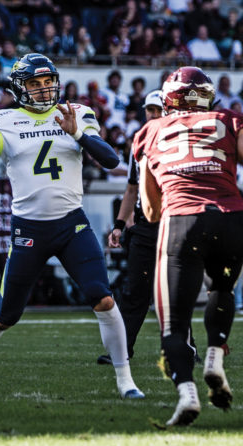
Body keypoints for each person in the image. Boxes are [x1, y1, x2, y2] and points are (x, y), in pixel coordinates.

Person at [0, 53, 144, 400]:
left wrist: (77, 132)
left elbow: (110, 160)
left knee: (104, 299)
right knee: (6, 316)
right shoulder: (4, 120)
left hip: (71, 225)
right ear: (20, 88)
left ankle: (126, 381)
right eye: (35, 84)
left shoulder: (75, 113)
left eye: (48, 82)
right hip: (29, 230)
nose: (44, 90)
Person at [134, 66, 243, 427]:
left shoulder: (151, 130)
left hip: (183, 222)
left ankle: (187, 393)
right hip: (233, 220)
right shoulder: (227, 118)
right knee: (223, 286)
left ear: (169, 99)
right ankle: (215, 356)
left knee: (173, 323)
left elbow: (152, 211)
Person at [97, 90, 164, 365]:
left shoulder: (179, 142)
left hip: (174, 223)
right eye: (150, 110)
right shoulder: (141, 143)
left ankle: (187, 347)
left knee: (172, 292)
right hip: (146, 226)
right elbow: (132, 189)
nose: (153, 115)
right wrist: (119, 225)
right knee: (134, 290)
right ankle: (122, 350)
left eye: (158, 110)